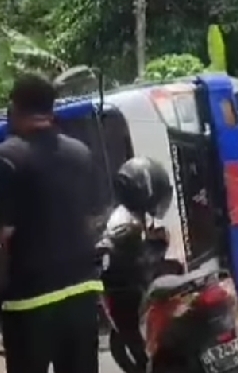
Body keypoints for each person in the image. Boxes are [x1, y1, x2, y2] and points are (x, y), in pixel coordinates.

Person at [0, 73, 102, 373]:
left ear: (13, 107)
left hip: (31, 299)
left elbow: (4, 233)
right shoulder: (81, 152)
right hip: (83, 290)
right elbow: (93, 218)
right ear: (52, 109)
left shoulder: (6, 156)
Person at [100, 156, 175, 371]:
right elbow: (133, 259)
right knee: (145, 351)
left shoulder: (133, 216)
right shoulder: (123, 222)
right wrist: (157, 245)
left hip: (140, 287)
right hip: (130, 291)